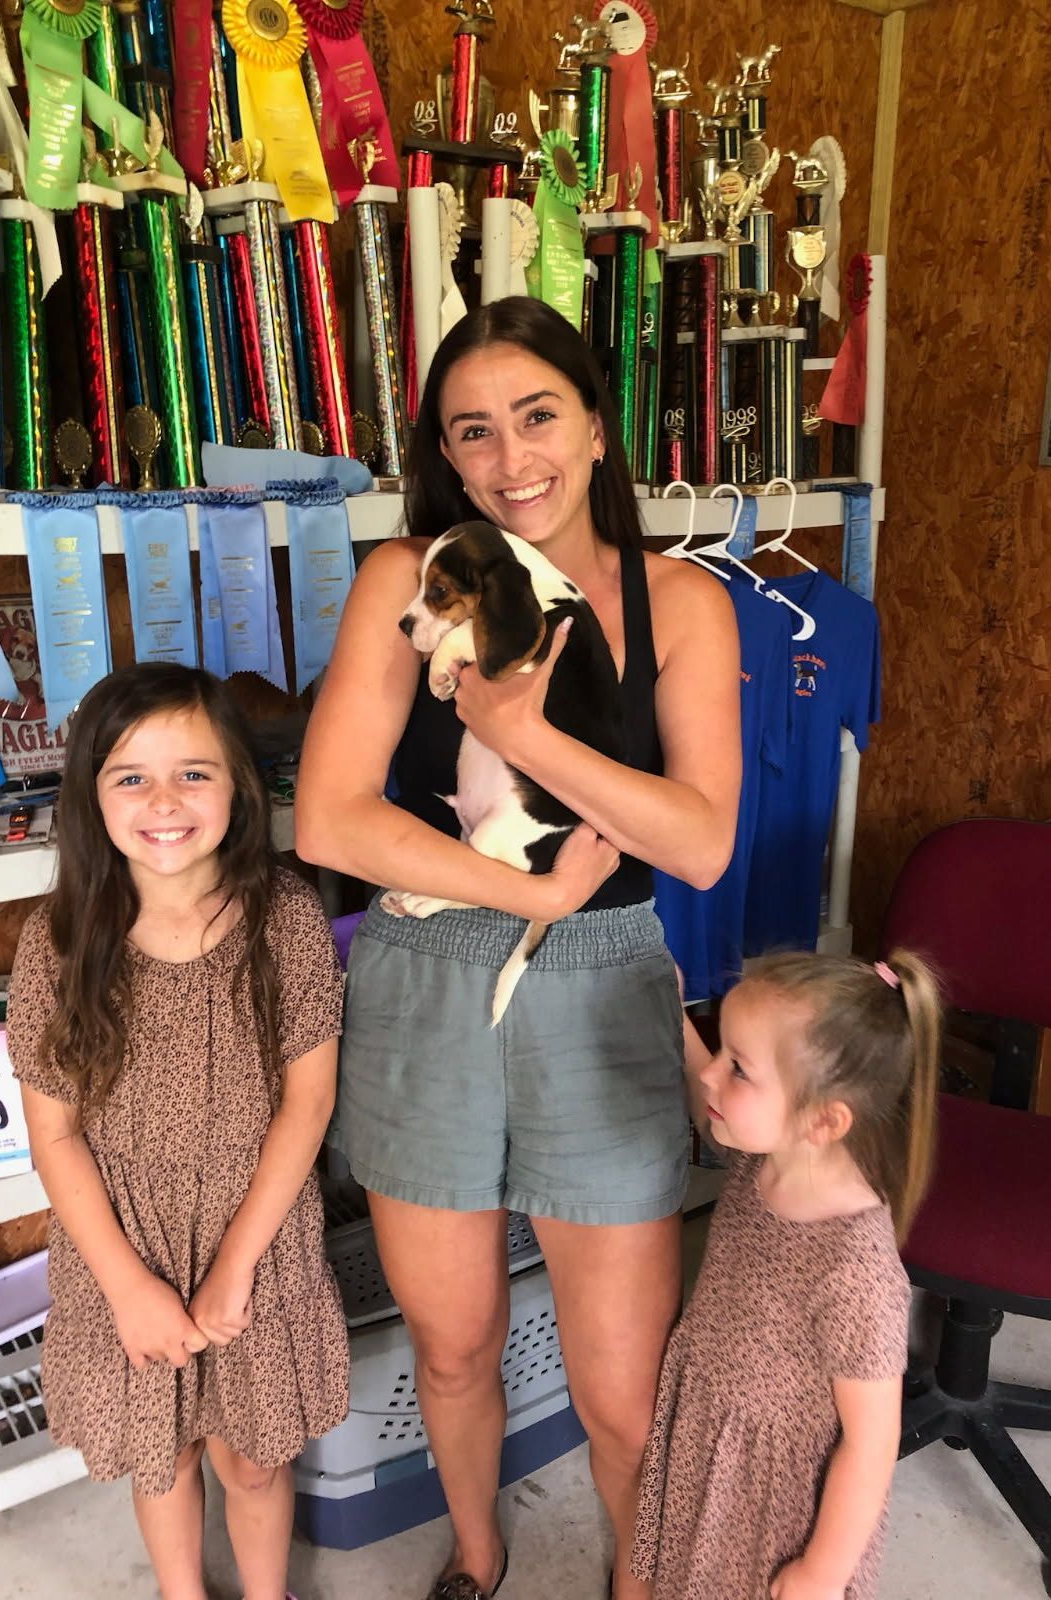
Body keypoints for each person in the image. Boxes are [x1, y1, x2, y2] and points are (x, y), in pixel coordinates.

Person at [296, 296, 741, 1600]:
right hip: (427, 978)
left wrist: (524, 730)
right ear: (445, 453)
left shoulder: (679, 602)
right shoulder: (408, 578)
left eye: (537, 415)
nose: (511, 456)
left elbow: (701, 843)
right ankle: (478, 1559)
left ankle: (639, 1582)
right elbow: (330, 818)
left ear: (596, 426)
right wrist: (525, 892)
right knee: (452, 1345)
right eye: (473, 430)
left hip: (603, 988)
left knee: (623, 1394)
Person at [8, 663, 349, 1600]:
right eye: (131, 777)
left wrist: (236, 1266)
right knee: (166, 1452)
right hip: (124, 1244)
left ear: (239, 785)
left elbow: (308, 1103)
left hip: (258, 1233)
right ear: (92, 796)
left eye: (193, 773)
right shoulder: (58, 942)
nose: (164, 802)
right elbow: (55, 1137)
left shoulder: (285, 919)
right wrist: (129, 1290)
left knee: (254, 1459)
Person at [632, 949, 941, 1600]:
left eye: (738, 1066)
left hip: (774, 1501)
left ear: (823, 1120)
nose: (712, 1073)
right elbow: (708, 1100)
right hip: (712, 1430)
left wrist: (820, 1575)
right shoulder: (763, 1158)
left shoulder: (855, 1270)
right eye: (722, 1051)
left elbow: (871, 1443)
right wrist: (675, 1015)